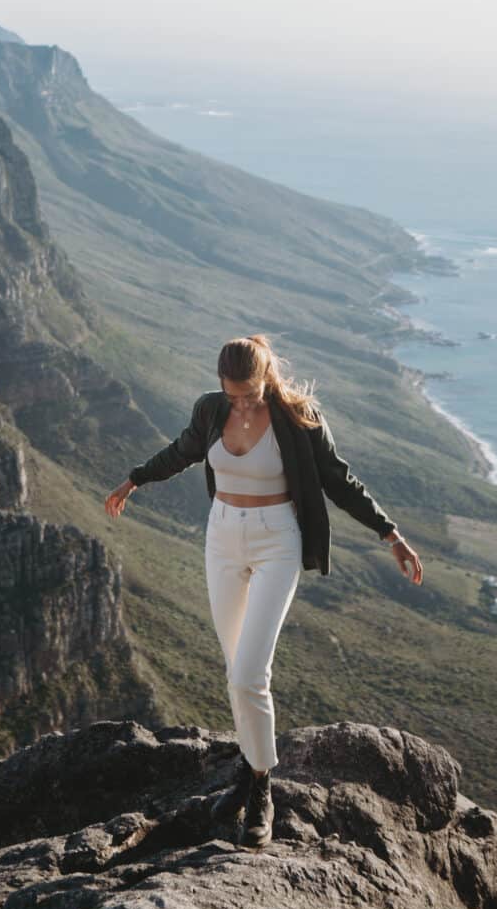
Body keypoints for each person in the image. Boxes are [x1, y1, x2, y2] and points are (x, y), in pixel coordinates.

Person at [104, 334, 423, 849]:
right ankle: (249, 771)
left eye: (248, 393)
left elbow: (339, 480)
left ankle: (262, 792)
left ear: (266, 376)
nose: (241, 403)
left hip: (277, 540)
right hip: (223, 538)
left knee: (252, 672)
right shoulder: (211, 410)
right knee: (236, 674)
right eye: (232, 394)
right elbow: (183, 451)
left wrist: (391, 534)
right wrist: (133, 481)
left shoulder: (298, 418)